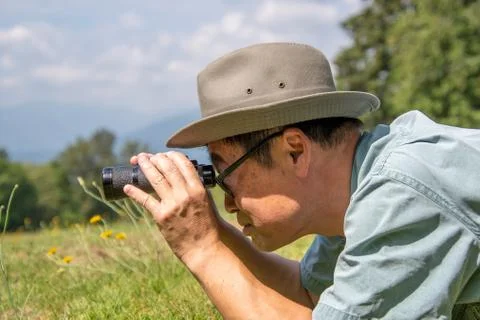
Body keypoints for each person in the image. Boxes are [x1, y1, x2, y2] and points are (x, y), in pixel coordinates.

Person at [123, 42, 480, 319]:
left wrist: (201, 249)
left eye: (226, 175)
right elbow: (310, 294)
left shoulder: (401, 194)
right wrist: (211, 229)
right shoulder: (358, 186)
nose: (228, 202)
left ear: (295, 151)